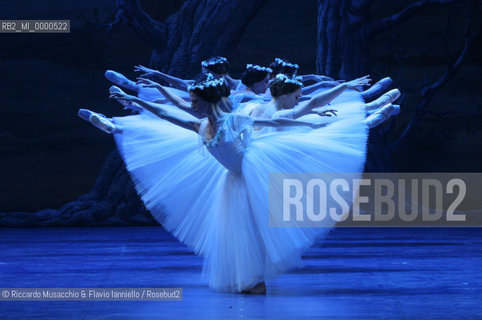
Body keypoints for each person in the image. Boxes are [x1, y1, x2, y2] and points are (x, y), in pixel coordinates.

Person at [78, 74, 371, 294]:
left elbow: (280, 123)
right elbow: (168, 112)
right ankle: (246, 277)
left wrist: (314, 123)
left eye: (195, 102)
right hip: (232, 179)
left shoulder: (234, 119)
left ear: (208, 101)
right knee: (236, 230)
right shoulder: (201, 125)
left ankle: (255, 278)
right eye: (192, 102)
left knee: (255, 228)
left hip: (254, 171)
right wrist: (140, 101)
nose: (191, 106)